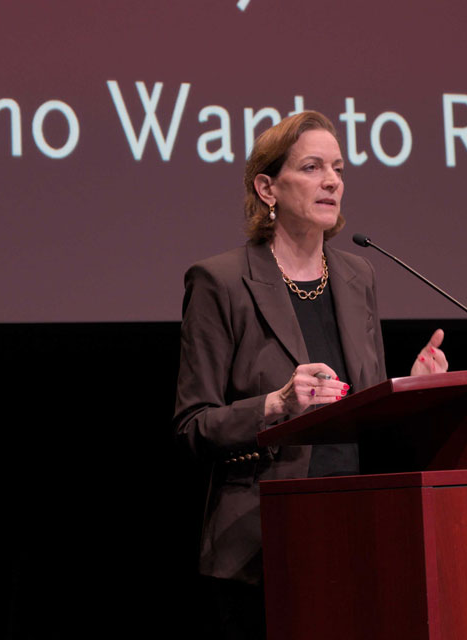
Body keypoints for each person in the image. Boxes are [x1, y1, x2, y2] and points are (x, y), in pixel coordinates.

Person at [173, 110, 447, 638]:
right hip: (262, 542)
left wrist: (409, 385)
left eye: (338, 169)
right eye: (312, 167)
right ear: (267, 187)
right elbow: (191, 427)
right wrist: (275, 405)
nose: (332, 181)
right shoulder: (221, 282)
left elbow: (360, 406)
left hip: (355, 527)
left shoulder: (356, 274)